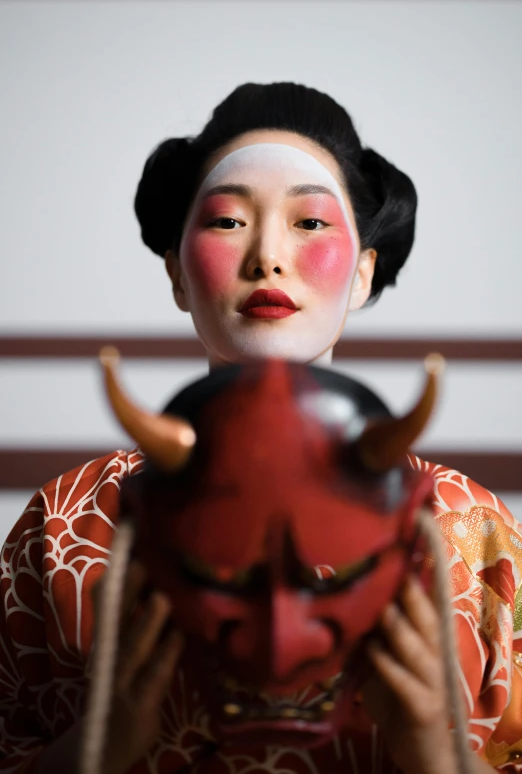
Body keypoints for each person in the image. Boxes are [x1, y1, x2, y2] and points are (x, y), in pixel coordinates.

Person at [0, 82, 520, 774]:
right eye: (225, 221)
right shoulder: (65, 525)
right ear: (176, 274)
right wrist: (97, 748)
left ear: (364, 271)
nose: (267, 256)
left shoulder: (475, 529)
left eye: (310, 223)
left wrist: (439, 753)